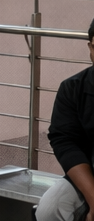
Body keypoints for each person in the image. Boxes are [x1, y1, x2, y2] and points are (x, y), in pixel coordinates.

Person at [35, 18, 94, 221]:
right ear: (90, 47)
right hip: (89, 175)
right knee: (49, 210)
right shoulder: (73, 88)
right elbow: (64, 141)